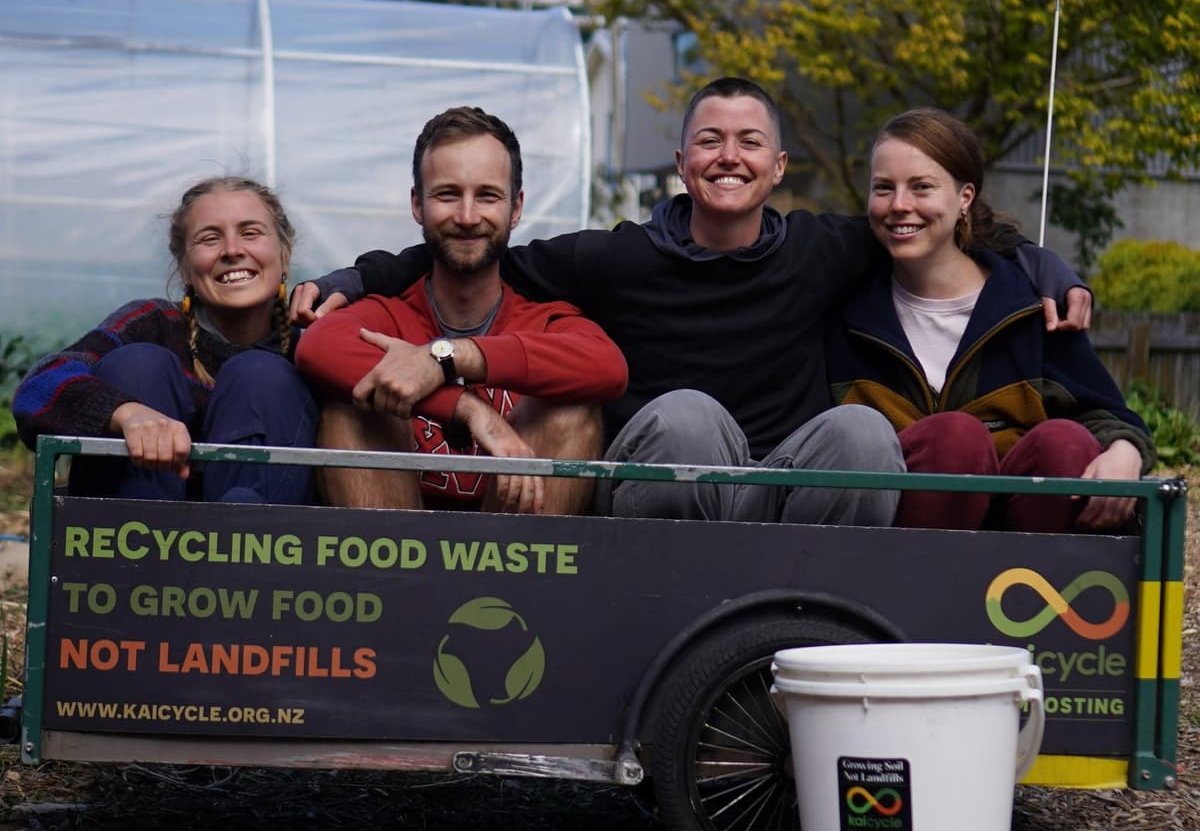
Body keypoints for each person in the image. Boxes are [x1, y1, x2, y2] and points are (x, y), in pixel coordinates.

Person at [291, 78, 1092, 527]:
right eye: (710, 139)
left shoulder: (823, 248)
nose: (729, 155)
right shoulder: (617, 256)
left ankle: (807, 627)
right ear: (682, 162)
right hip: (674, 482)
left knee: (861, 430)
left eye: (749, 142)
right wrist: (353, 282)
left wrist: (1040, 263)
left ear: (777, 165)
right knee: (684, 414)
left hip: (790, 487)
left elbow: (930, 221)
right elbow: (471, 244)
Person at [826, 107, 1153, 532]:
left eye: (922, 187)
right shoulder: (843, 305)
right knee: (954, 439)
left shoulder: (1031, 308)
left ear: (965, 197)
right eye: (883, 188)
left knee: (1065, 441)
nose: (900, 205)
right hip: (894, 537)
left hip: (1022, 552)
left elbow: (1107, 413)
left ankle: (1043, 590)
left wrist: (1125, 450)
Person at [293, 106, 628, 515]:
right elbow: (318, 345)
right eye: (447, 194)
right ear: (418, 204)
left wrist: (450, 359)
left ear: (516, 207)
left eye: (487, 195)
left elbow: (608, 366)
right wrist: (470, 411)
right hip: (397, 551)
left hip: (508, 557)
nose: (467, 217)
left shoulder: (543, 319)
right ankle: (389, 581)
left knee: (570, 407)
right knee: (355, 403)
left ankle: (512, 579)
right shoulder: (389, 313)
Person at [14, 176, 318, 504]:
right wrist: (124, 413)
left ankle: (240, 536)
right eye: (210, 238)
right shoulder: (151, 323)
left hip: (261, 542)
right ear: (185, 267)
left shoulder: (312, 345)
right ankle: (139, 542)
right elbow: (38, 390)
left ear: (284, 253)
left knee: (261, 373)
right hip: (136, 535)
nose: (232, 250)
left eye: (250, 233)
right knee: (138, 364)